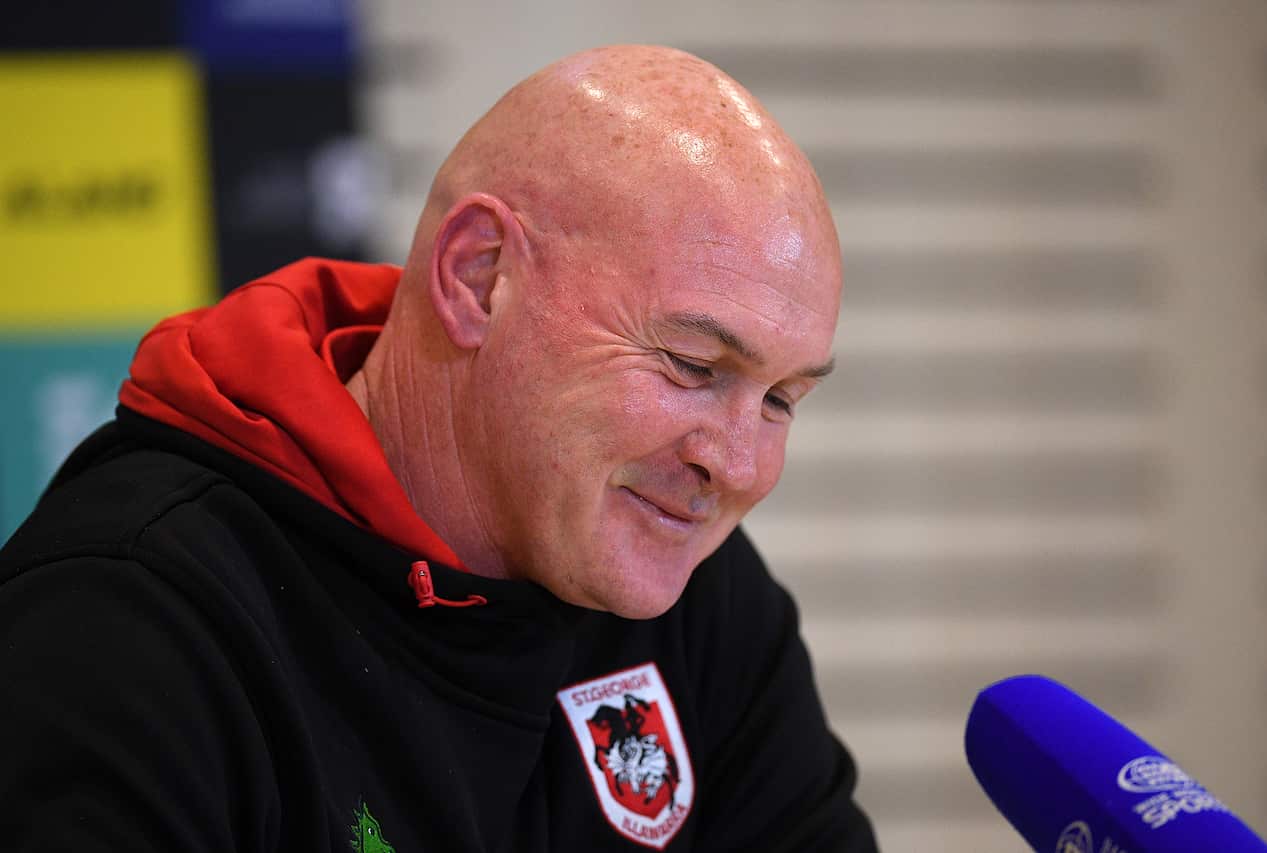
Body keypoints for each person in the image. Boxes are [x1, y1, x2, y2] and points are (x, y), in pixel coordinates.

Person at [0, 45, 877, 851]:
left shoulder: (700, 599)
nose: (737, 466)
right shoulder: (129, 620)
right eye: (693, 364)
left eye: (782, 399)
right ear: (478, 277)